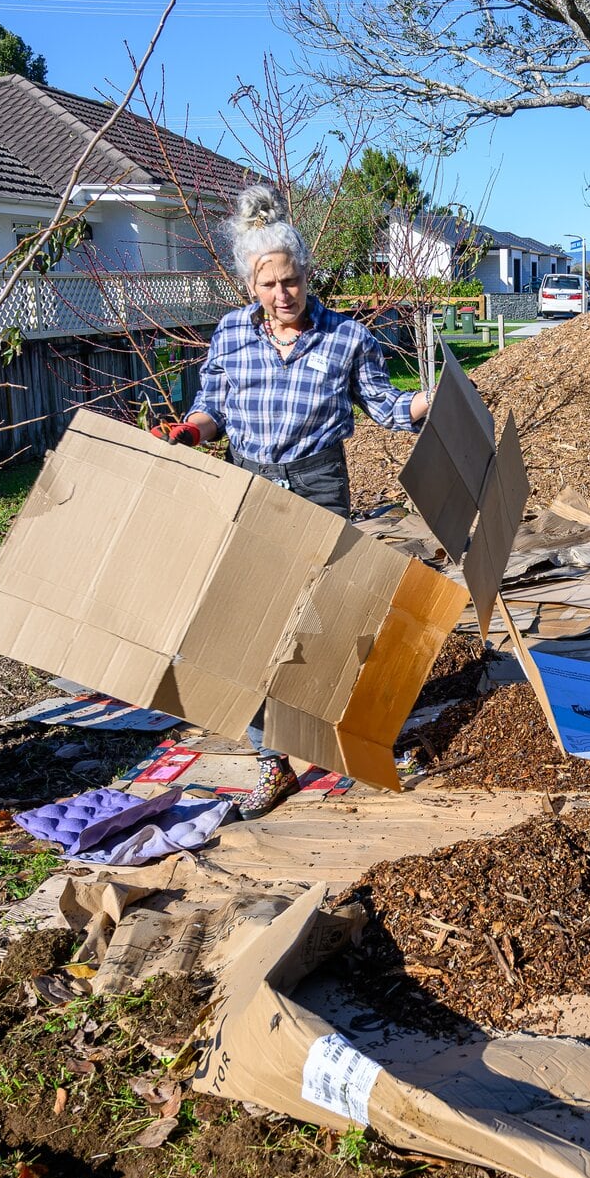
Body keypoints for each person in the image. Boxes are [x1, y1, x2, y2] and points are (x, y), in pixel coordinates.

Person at [151, 184, 431, 817]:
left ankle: (368, 742)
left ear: (308, 275)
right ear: (251, 284)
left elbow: (385, 406)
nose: (283, 294)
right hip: (247, 482)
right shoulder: (228, 336)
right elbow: (213, 406)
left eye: (293, 280)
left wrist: (422, 406)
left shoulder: (348, 338)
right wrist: (190, 432)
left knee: (331, 624)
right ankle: (270, 763)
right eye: (269, 283)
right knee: (247, 629)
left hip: (318, 484)